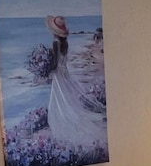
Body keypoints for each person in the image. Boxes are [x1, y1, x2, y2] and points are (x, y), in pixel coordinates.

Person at [45, 15, 107, 149]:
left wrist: (47, 70)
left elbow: (55, 63)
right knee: (66, 98)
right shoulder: (64, 44)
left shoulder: (56, 43)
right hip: (64, 72)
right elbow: (62, 61)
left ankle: (62, 122)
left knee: (58, 99)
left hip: (58, 74)